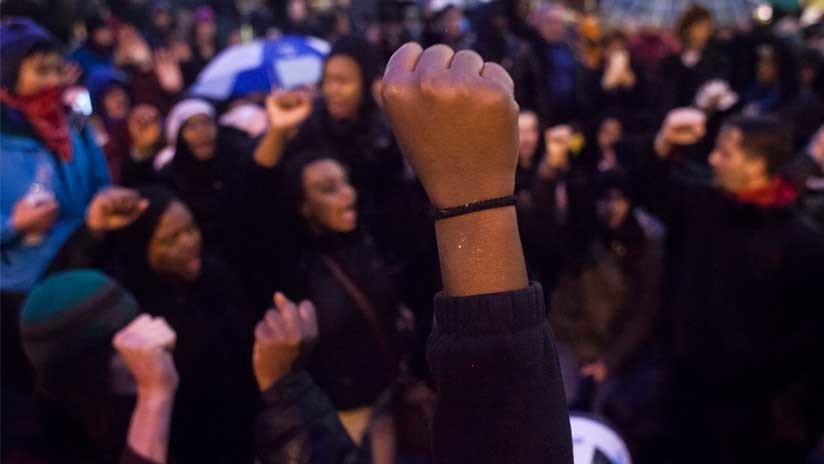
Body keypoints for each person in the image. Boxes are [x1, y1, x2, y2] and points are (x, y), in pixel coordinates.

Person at [255, 42, 574, 464]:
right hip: (341, 399)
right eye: (327, 80)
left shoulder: (374, 221)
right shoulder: (298, 251)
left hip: (388, 388)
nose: (346, 195)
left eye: (343, 79)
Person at [641, 108, 824, 462]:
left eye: (725, 152)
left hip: (752, 423)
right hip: (683, 398)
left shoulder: (802, 243)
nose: (713, 158)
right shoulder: (704, 206)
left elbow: (810, 343)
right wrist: (663, 144)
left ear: (756, 166)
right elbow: (650, 190)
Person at [110, 186, 259, 463]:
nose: (189, 242)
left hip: (242, 432)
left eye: (191, 229)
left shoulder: (217, 276)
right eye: (170, 239)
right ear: (141, 248)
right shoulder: (136, 316)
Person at [20, 270, 178, 464]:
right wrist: (154, 397)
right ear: (80, 374)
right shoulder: (34, 446)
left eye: (136, 330)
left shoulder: (156, 373)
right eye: (117, 348)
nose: (141, 350)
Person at [656, 5, 731, 115]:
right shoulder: (671, 63)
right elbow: (665, 98)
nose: (705, 33)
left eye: (708, 28)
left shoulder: (717, 61)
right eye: (700, 27)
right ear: (688, 28)